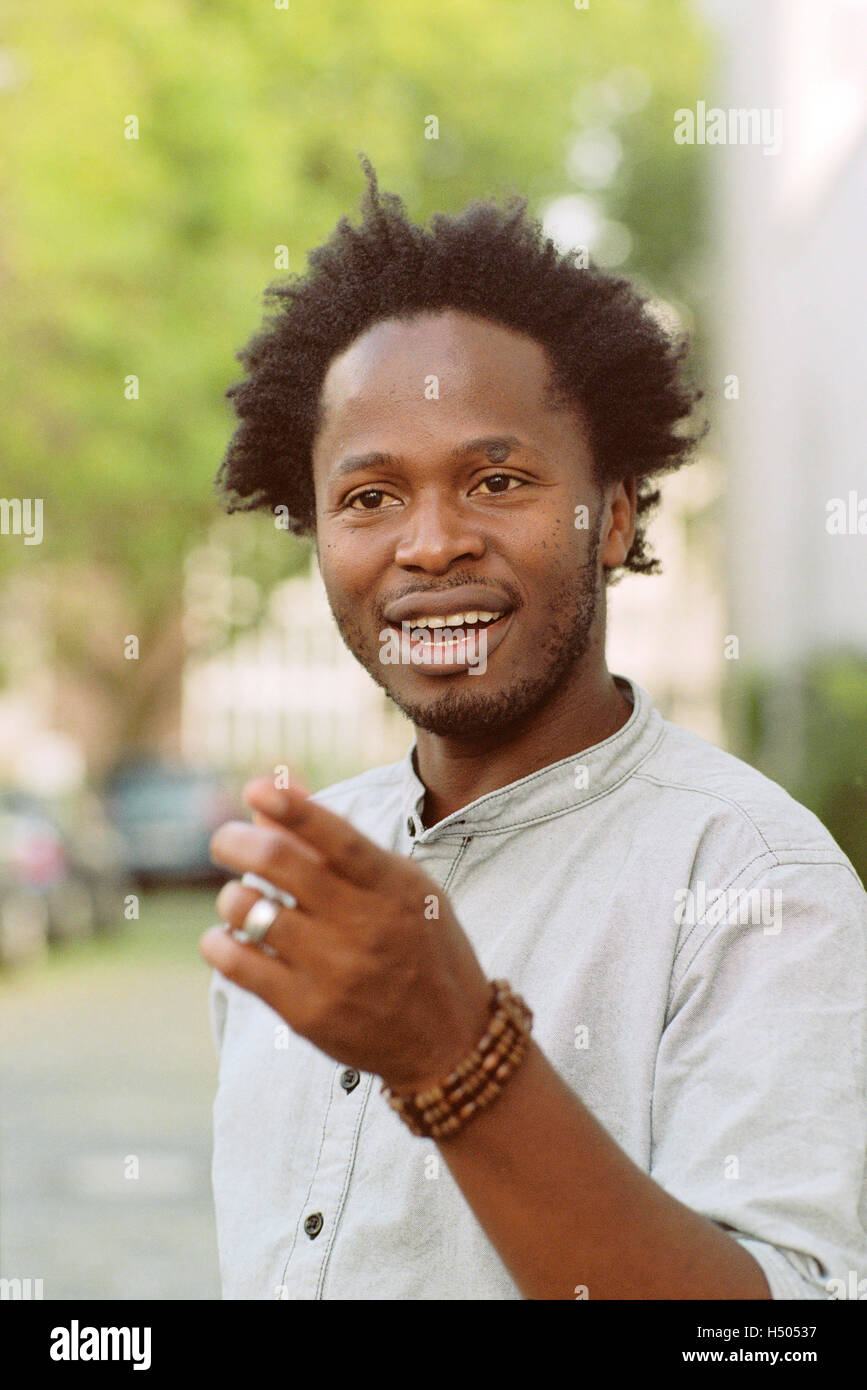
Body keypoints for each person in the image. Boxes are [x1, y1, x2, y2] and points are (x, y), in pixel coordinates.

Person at [199, 158, 867, 1300]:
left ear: (609, 518)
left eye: (496, 479)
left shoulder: (757, 880)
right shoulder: (309, 877)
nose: (429, 544)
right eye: (369, 498)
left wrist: (459, 1057)